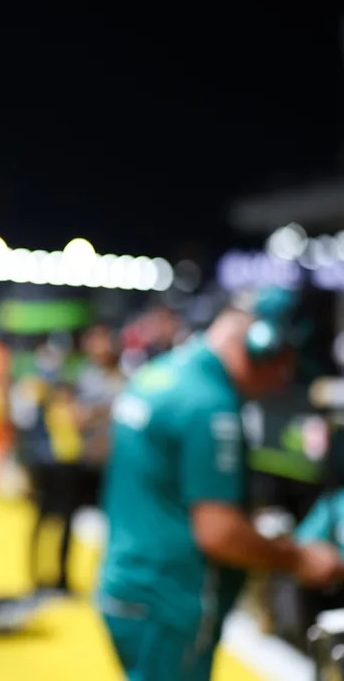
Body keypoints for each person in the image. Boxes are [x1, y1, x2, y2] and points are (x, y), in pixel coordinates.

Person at [97, 286, 344, 681]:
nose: (281, 383)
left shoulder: (163, 375)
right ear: (263, 348)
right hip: (172, 599)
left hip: (132, 585)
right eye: (285, 366)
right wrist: (300, 558)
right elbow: (219, 533)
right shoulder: (210, 406)